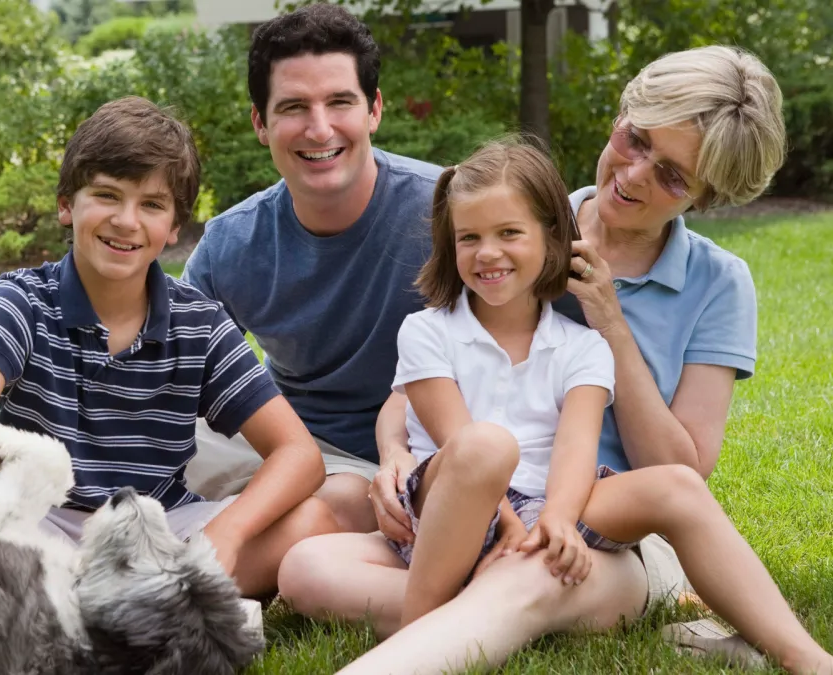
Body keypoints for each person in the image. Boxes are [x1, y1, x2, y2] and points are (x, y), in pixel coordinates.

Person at [282, 46, 830, 673]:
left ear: (705, 199)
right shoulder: (512, 219)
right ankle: (466, 608)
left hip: (600, 527)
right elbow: (423, 377)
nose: (634, 174)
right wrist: (395, 456)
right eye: (636, 139)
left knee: (533, 570)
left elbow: (683, 473)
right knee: (307, 564)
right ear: (620, 116)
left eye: (673, 176)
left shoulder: (717, 283)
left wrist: (611, 325)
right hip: (465, 499)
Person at [0, 95, 339, 599]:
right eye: (107, 195)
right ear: (66, 205)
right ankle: (123, 603)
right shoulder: (20, 301)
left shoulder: (199, 322)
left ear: (174, 229)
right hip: (35, 521)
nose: (127, 220)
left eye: (152, 205)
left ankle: (89, 600)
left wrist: (225, 533)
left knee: (313, 520)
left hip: (153, 529)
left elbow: (298, 454)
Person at [181, 3, 443, 534]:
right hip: (282, 447)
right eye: (294, 106)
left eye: (340, 102)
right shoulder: (232, 241)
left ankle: (202, 555)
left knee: (337, 500)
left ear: (374, 110)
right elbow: (174, 374)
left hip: (408, 458)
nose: (319, 129)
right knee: (153, 442)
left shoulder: (448, 212)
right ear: (262, 122)